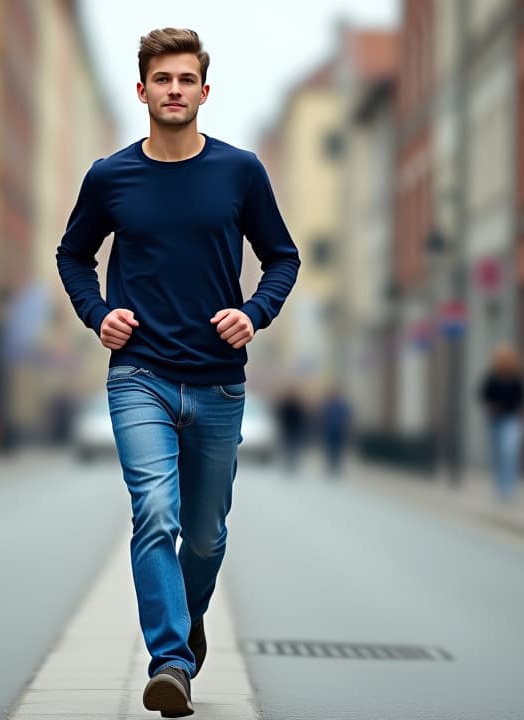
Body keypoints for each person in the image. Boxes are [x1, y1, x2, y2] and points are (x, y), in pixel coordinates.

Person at [56, 28, 299, 718]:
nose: (174, 91)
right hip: (140, 375)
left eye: (185, 80)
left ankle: (186, 622)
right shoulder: (110, 177)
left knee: (205, 533)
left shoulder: (240, 172)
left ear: (203, 91)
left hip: (221, 381)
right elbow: (73, 255)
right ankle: (169, 660)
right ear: (142, 91)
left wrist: (254, 313)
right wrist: (96, 313)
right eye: (162, 80)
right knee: (153, 513)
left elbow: (283, 256)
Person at [479, 344, 524, 502]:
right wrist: (491, 407)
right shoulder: (492, 377)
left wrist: (516, 409)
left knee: (510, 452)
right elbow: (483, 395)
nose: (504, 361)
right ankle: (500, 488)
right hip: (495, 422)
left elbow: (523, 397)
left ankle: (509, 489)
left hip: (512, 420)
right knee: (498, 455)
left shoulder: (517, 377)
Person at [318, 388, 351, 476]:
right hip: (330, 431)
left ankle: (335, 466)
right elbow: (323, 417)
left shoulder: (342, 406)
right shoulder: (328, 405)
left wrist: (346, 427)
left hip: (339, 431)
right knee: (330, 449)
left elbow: (346, 417)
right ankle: (331, 466)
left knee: (337, 449)